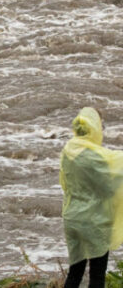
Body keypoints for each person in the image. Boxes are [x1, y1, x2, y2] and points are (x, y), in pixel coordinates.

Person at [60, 107, 123, 288]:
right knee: (97, 277)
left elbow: (65, 183)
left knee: (75, 274)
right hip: (94, 222)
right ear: (94, 128)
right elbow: (109, 188)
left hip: (71, 218)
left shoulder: (68, 150)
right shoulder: (97, 156)